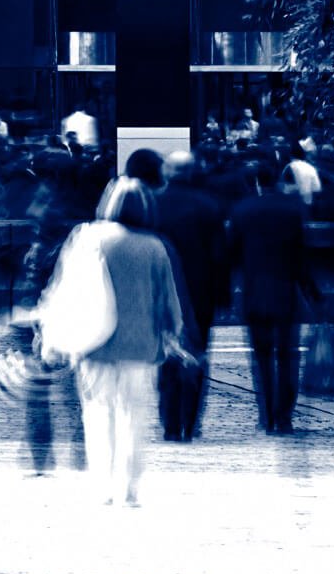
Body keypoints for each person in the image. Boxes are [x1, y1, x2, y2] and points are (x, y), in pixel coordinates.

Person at [75, 178, 195, 506]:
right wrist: (173, 334)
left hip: (95, 343)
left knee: (99, 415)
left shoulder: (92, 240)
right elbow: (170, 303)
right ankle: (129, 488)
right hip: (141, 345)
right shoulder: (154, 246)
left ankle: (102, 486)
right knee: (134, 417)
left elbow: (75, 291)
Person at [227, 158, 320, 434]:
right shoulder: (293, 210)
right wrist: (312, 293)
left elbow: (231, 254)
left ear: (256, 182)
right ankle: (284, 417)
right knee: (287, 356)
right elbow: (301, 257)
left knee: (262, 357)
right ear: (277, 181)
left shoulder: (242, 210)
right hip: (285, 292)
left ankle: (266, 414)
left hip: (255, 292)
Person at [154, 151, 227, 441]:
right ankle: (190, 421)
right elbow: (219, 256)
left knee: (164, 355)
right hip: (200, 295)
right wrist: (221, 297)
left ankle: (169, 421)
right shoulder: (209, 206)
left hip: (161, 292)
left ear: (168, 172)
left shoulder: (154, 203)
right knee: (197, 354)